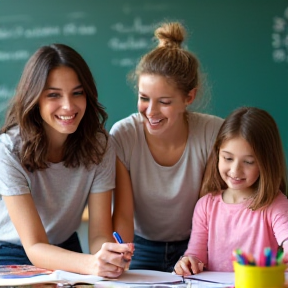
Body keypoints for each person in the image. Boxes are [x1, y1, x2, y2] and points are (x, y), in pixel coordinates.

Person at [0, 44, 134, 278]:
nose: (68, 106)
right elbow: (34, 247)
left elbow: (98, 235)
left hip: (66, 247)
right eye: (54, 95)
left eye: (77, 93)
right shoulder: (8, 149)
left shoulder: (100, 145)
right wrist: (92, 264)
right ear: (35, 98)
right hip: (11, 251)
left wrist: (107, 256)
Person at [110, 22, 223, 272]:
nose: (151, 112)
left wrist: (194, 253)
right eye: (143, 98)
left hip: (197, 246)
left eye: (164, 102)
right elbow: (124, 214)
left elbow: (210, 211)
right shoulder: (123, 135)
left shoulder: (213, 133)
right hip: (139, 246)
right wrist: (121, 258)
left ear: (189, 98)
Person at [174, 106, 288, 275]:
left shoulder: (275, 204)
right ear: (217, 153)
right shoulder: (206, 206)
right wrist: (188, 263)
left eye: (248, 162)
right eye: (228, 158)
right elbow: (196, 257)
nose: (235, 171)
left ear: (266, 163)